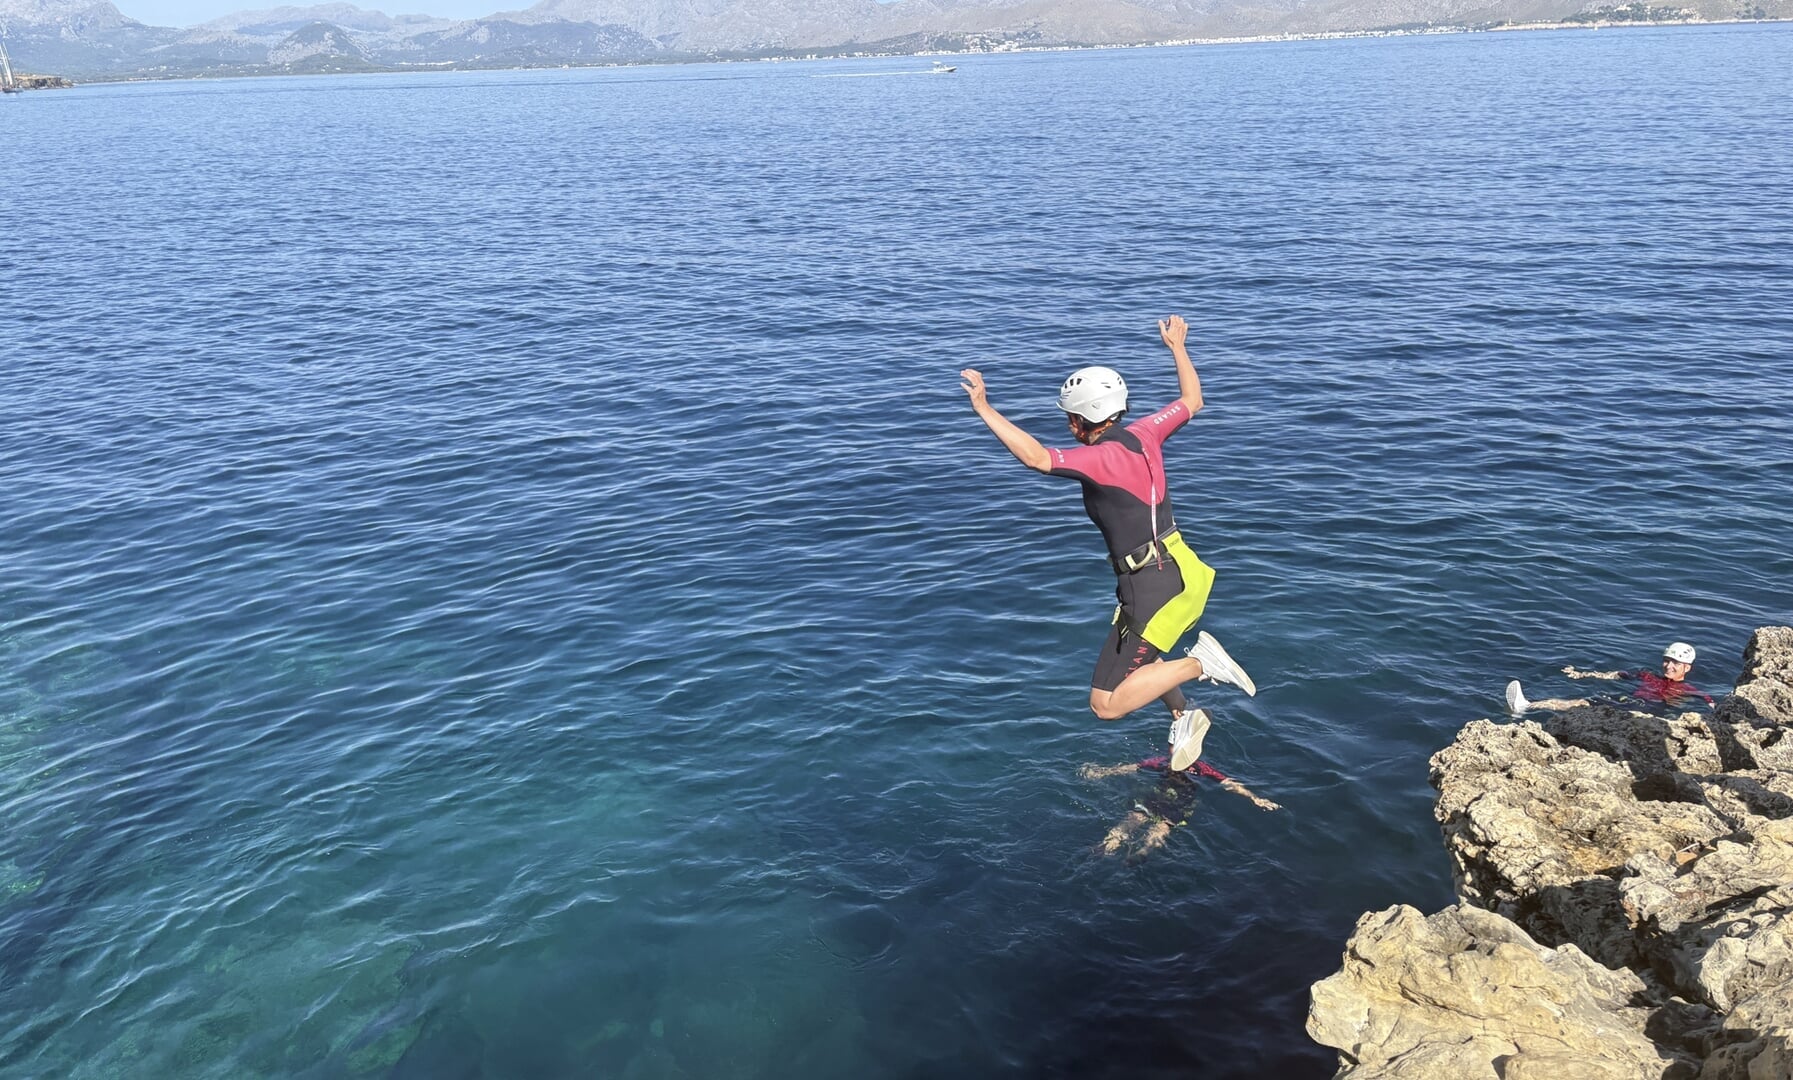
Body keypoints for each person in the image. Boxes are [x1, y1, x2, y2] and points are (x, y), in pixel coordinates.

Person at [959, 315, 1256, 768]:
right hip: (1180, 568)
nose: (1067, 424)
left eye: (1068, 417)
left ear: (1081, 419)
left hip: (1151, 585)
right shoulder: (1146, 432)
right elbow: (1192, 399)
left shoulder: (1099, 458)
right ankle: (1184, 715)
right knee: (1143, 661)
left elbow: (1037, 457)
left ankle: (1202, 664)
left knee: (1106, 703)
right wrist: (1177, 345)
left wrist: (983, 408)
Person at [1080, 720, 1281, 861]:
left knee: (1133, 819)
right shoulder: (1201, 768)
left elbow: (1134, 767)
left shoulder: (1163, 762)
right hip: (1179, 805)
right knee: (1161, 829)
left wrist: (1105, 772)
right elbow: (1228, 783)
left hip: (1155, 799)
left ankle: (1110, 845)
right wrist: (1255, 798)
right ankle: (1143, 852)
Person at [1505, 641, 1715, 713]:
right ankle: (1527, 706)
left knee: (1588, 707)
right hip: (1626, 701)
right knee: (1585, 701)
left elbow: (1708, 701)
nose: (1668, 666)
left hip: (1644, 711)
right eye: (1666, 660)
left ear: (1686, 668)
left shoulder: (1688, 690)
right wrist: (1580, 674)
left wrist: (1714, 708)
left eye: (1675, 663)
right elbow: (1616, 675)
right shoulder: (1648, 676)